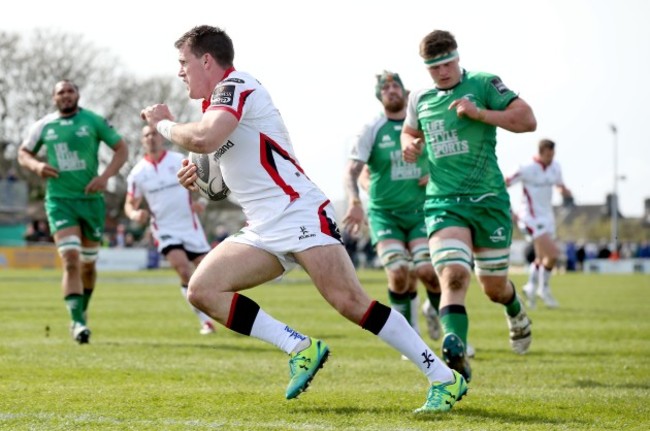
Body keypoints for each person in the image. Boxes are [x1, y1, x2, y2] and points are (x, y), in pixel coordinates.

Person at [140, 25, 466, 413]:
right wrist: (199, 180)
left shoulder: (235, 85)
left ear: (206, 60)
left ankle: (444, 377)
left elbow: (206, 139)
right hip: (263, 226)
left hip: (298, 211)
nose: (180, 72)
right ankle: (299, 347)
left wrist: (162, 123)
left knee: (349, 301)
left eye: (184, 62)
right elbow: (223, 180)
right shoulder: (214, 109)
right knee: (202, 290)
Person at [401, 30, 536, 383]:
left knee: (493, 287)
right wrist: (409, 145)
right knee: (454, 275)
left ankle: (515, 309)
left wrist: (479, 114)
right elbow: (409, 132)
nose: (442, 73)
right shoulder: (420, 97)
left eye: (447, 64)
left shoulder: (483, 83)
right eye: (434, 68)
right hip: (444, 202)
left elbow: (527, 121)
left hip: (489, 201)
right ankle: (454, 350)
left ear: (458, 58)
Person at [18, 79, 128, 344]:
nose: (65, 96)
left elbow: (122, 149)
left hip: (91, 201)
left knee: (88, 265)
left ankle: (82, 309)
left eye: (70, 91)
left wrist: (105, 177)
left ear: (77, 95)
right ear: (54, 98)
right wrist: (36, 166)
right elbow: (23, 153)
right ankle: (77, 322)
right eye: (60, 92)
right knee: (70, 259)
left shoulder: (93, 121)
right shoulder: (44, 125)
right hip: (59, 200)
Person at [342, 71, 443, 348]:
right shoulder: (371, 129)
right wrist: (355, 201)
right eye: (384, 87)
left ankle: (445, 326)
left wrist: (435, 174)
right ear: (379, 96)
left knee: (427, 271)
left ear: (405, 91)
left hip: (421, 212)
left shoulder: (423, 125)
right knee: (399, 272)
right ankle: (409, 340)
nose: (390, 90)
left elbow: (446, 158)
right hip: (385, 213)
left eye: (395, 85)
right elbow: (354, 171)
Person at [124, 125, 217, 335]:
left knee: (209, 274)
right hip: (164, 229)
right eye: (146, 134)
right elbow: (130, 203)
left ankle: (227, 314)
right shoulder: (138, 173)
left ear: (162, 137)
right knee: (183, 270)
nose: (151, 138)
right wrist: (134, 214)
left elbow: (207, 183)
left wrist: (202, 201)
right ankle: (206, 322)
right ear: (142, 141)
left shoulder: (178, 161)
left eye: (154, 133)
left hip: (190, 226)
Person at [506, 139, 573, 309]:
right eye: (548, 155)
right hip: (529, 218)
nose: (551, 159)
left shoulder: (555, 167)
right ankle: (542, 289)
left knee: (542, 258)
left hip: (547, 218)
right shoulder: (526, 168)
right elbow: (503, 183)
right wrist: (510, 209)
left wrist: (564, 191)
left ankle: (530, 287)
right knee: (553, 253)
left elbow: (559, 184)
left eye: (553, 155)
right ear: (541, 152)